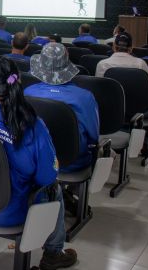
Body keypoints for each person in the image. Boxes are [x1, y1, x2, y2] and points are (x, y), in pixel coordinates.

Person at [0, 56, 77, 270]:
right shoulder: (33, 125)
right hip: (13, 211)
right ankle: (54, 253)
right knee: (53, 188)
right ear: (17, 83)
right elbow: (46, 177)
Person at [25, 43, 99, 173]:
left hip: (34, 160)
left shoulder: (27, 93)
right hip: (73, 163)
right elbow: (94, 137)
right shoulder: (85, 97)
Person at [96, 32, 148, 101]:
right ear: (131, 48)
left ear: (114, 47)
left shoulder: (102, 64)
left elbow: (98, 90)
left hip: (111, 108)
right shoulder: (140, 64)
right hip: (137, 110)